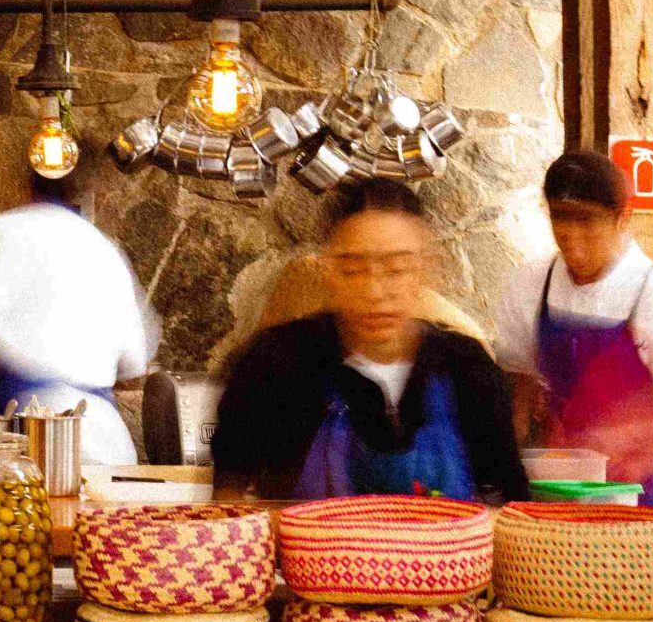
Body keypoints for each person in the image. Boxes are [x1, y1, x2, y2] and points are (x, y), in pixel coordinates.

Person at [210, 177, 526, 502]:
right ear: (329, 271)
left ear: (425, 271)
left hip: (448, 553)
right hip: (314, 553)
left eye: (396, 269)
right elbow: (228, 506)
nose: (374, 292)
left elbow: (509, 502)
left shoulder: (467, 368)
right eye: (353, 270)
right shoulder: (275, 362)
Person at [493, 149, 653, 514]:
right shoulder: (533, 285)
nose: (571, 235)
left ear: (623, 218)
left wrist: (642, 435)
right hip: (560, 494)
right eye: (561, 217)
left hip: (645, 503)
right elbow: (518, 387)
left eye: (587, 220)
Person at [0, 170, 163, 473]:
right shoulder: (103, 248)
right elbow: (135, 361)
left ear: (27, 185)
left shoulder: (2, 232)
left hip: (31, 442)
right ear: (84, 190)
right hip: (108, 443)